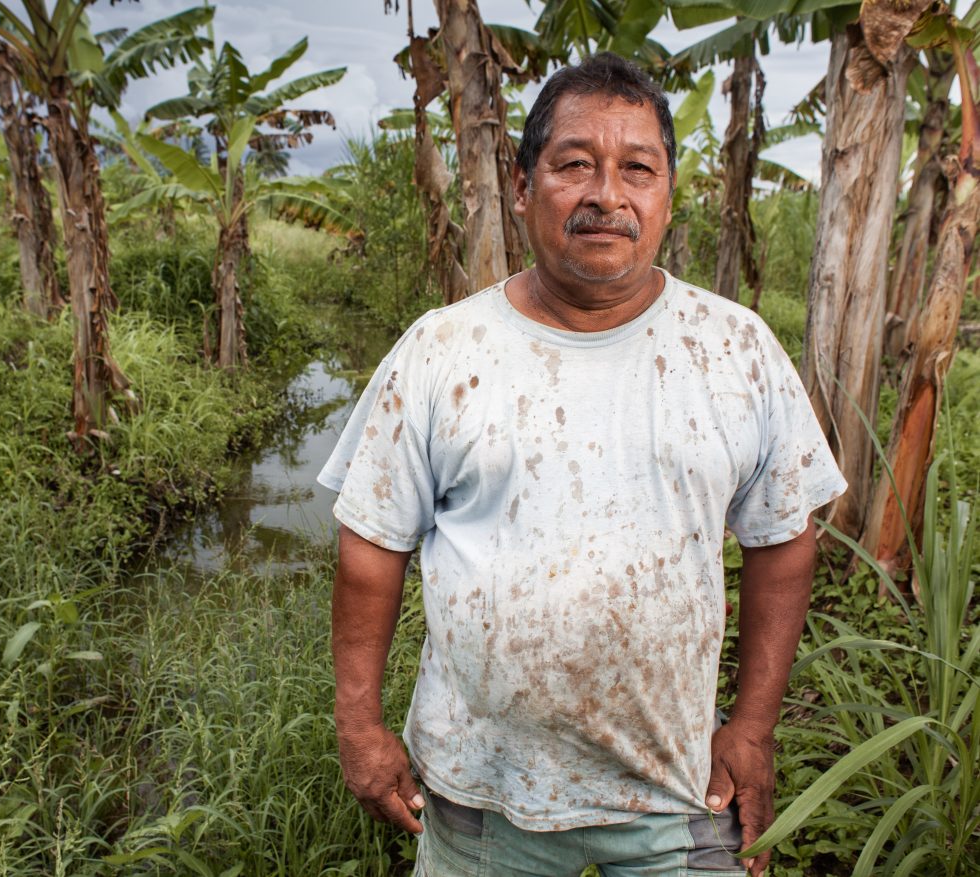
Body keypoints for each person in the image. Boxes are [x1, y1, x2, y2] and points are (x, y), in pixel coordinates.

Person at [317, 52, 846, 877]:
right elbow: (370, 546)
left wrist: (750, 729)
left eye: (638, 168)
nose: (608, 195)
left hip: (680, 794)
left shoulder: (735, 348)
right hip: (481, 798)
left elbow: (784, 538)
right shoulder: (443, 348)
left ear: (669, 194)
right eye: (575, 165)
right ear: (523, 186)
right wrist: (359, 724)